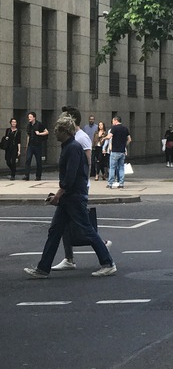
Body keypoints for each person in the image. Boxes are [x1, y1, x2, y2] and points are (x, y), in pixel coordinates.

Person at [23, 113, 116, 279]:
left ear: (65, 131)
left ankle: (108, 263)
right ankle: (43, 268)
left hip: (74, 196)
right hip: (69, 196)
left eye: (57, 130)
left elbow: (70, 177)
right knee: (55, 231)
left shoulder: (72, 148)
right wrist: (59, 195)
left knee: (86, 230)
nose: (55, 133)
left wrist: (58, 195)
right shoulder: (68, 146)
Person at [52, 107, 112, 272]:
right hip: (70, 189)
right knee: (61, 227)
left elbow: (86, 163)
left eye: (63, 117)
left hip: (77, 189)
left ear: (69, 121)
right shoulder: (70, 139)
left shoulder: (81, 138)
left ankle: (105, 254)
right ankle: (67, 259)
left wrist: (84, 184)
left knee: (84, 227)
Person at [106, 116, 131, 189]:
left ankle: (110, 183)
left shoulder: (114, 128)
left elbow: (109, 136)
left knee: (112, 168)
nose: (112, 122)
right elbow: (129, 139)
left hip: (115, 151)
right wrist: (124, 145)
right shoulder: (125, 129)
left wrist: (104, 138)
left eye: (113, 121)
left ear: (116, 120)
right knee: (121, 168)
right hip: (122, 151)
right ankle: (121, 183)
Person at [23, 112, 49, 181]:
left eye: (30, 117)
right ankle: (27, 175)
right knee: (28, 160)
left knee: (38, 161)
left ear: (34, 117)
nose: (29, 118)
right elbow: (28, 136)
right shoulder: (29, 125)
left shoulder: (39, 124)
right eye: (28, 117)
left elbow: (46, 132)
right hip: (30, 145)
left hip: (37, 145)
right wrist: (26, 145)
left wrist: (39, 133)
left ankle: (38, 176)